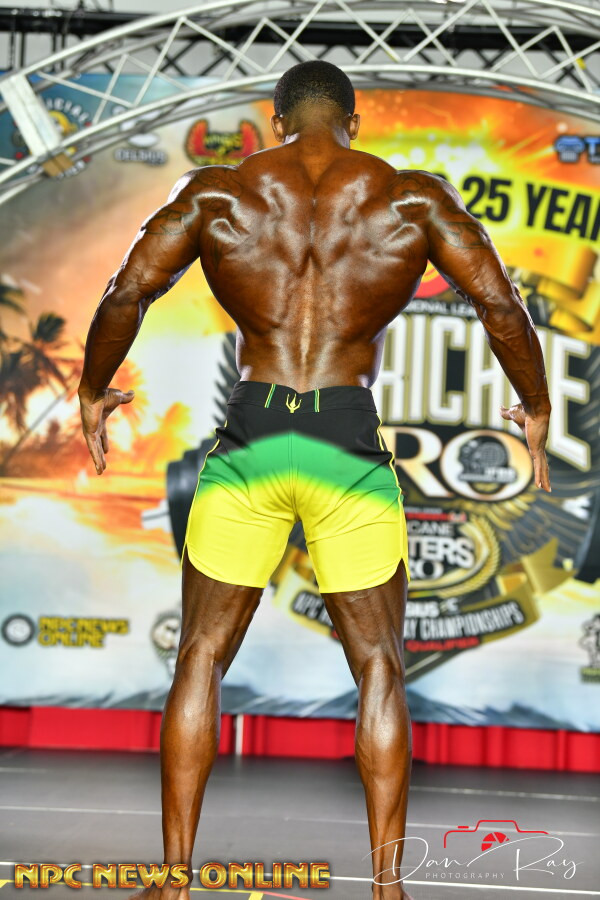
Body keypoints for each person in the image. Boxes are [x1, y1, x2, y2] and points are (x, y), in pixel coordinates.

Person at [78, 60, 552, 900]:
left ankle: (174, 879)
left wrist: (91, 388)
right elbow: (500, 307)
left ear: (277, 118)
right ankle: (387, 888)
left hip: (253, 438)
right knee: (379, 667)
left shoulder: (218, 193)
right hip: (344, 441)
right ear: (354, 122)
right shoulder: (412, 200)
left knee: (199, 657)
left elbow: (127, 292)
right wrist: (537, 406)